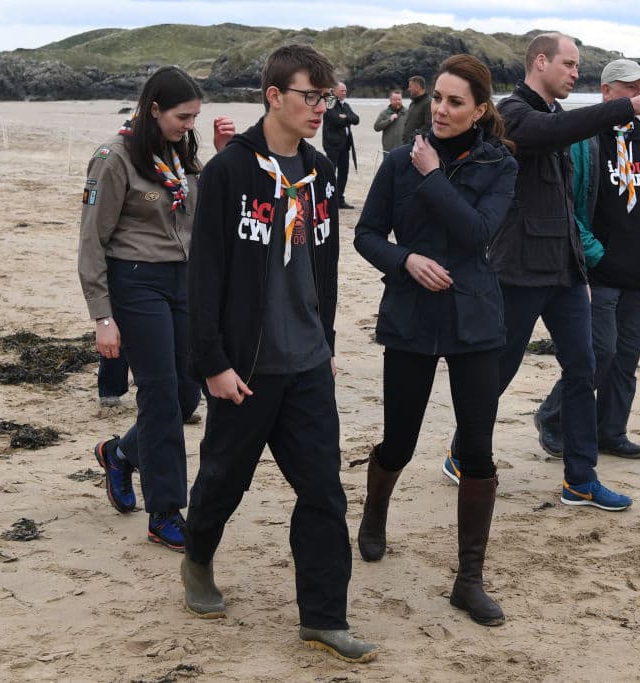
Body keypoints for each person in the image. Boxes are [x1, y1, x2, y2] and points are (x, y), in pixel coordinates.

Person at [181, 44, 377, 664]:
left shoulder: (320, 171)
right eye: (309, 96)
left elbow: (327, 267)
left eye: (327, 98)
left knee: (323, 493)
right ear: (274, 96)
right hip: (246, 366)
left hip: (308, 364)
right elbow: (203, 275)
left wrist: (328, 344)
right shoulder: (230, 172)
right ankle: (198, 558)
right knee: (222, 481)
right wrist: (212, 362)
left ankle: (324, 618)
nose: (320, 108)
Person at [444, 34, 640, 511]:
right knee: (498, 370)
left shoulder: (556, 118)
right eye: (569, 64)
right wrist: (627, 107)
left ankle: (580, 478)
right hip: (519, 269)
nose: (576, 73)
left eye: (577, 65)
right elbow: (551, 134)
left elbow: (570, 194)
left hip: (566, 271)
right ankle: (461, 452)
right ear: (541, 62)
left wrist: (584, 265)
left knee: (584, 367)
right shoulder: (513, 113)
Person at [354, 54, 518, 626]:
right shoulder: (398, 162)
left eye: (456, 102)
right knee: (398, 440)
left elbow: (476, 233)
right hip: (410, 317)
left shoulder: (499, 164)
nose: (442, 110)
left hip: (475, 321)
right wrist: (406, 260)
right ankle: (374, 514)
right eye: (438, 99)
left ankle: (468, 579)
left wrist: (431, 176)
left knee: (477, 451)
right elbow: (367, 234)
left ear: (479, 109)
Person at [77, 65, 235, 550]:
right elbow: (91, 241)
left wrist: (222, 158)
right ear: (154, 110)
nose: (189, 125)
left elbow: (196, 210)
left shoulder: (177, 153)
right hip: (136, 282)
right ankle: (165, 511)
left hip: (183, 281)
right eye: (183, 117)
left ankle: (121, 453)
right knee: (160, 394)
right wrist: (103, 317)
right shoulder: (113, 157)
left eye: (194, 118)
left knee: (188, 393)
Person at [537, 59, 640, 460]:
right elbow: (570, 209)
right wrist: (598, 256)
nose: (637, 93)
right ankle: (553, 417)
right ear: (607, 92)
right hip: (599, 272)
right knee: (600, 351)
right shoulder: (585, 143)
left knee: (626, 358)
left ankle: (610, 431)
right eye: (629, 87)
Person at [322, 81, 359, 209]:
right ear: (335, 91)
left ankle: (340, 199)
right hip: (332, 144)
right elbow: (335, 120)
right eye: (342, 90)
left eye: (345, 90)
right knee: (331, 172)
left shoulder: (346, 105)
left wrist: (345, 117)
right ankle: (329, 199)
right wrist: (346, 118)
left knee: (344, 172)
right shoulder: (330, 102)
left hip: (345, 145)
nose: (345, 92)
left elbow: (356, 119)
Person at [373, 89, 408, 157]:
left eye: (399, 99)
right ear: (390, 100)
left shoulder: (407, 112)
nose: (398, 101)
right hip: (388, 150)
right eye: (395, 100)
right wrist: (389, 120)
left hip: (403, 149)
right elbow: (376, 127)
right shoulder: (385, 113)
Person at [401, 75, 432, 142]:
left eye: (410, 86)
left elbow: (429, 125)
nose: (408, 89)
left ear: (417, 87)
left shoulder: (429, 103)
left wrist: (413, 137)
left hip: (417, 144)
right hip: (407, 143)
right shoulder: (412, 103)